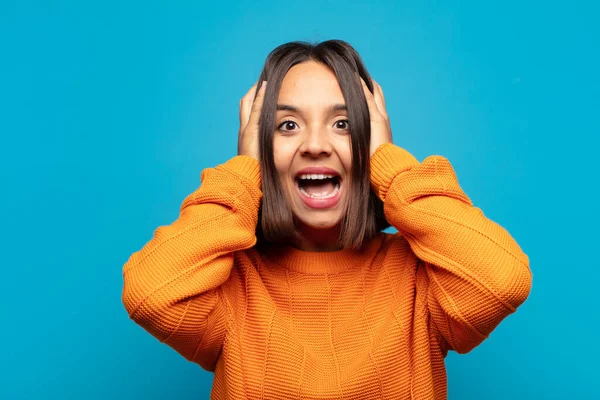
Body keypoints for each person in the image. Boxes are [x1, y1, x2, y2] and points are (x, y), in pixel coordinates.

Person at [121, 40, 532, 399]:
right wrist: (244, 169)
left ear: (371, 140)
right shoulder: (230, 285)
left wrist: (389, 165)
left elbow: (503, 279)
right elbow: (149, 293)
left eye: (343, 124)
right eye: (287, 125)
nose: (315, 145)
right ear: (261, 147)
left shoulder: (420, 277)